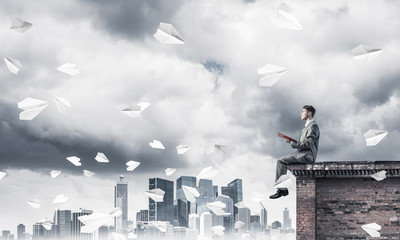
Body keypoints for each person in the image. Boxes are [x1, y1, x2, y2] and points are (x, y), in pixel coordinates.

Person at [269, 105, 320, 199]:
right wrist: (292, 142)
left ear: (309, 113)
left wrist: (293, 142)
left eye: (303, 111)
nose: (301, 113)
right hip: (301, 153)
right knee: (282, 161)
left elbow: (308, 144)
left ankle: (282, 189)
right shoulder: (307, 127)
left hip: (307, 156)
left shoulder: (313, 127)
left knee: (281, 161)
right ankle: (282, 188)